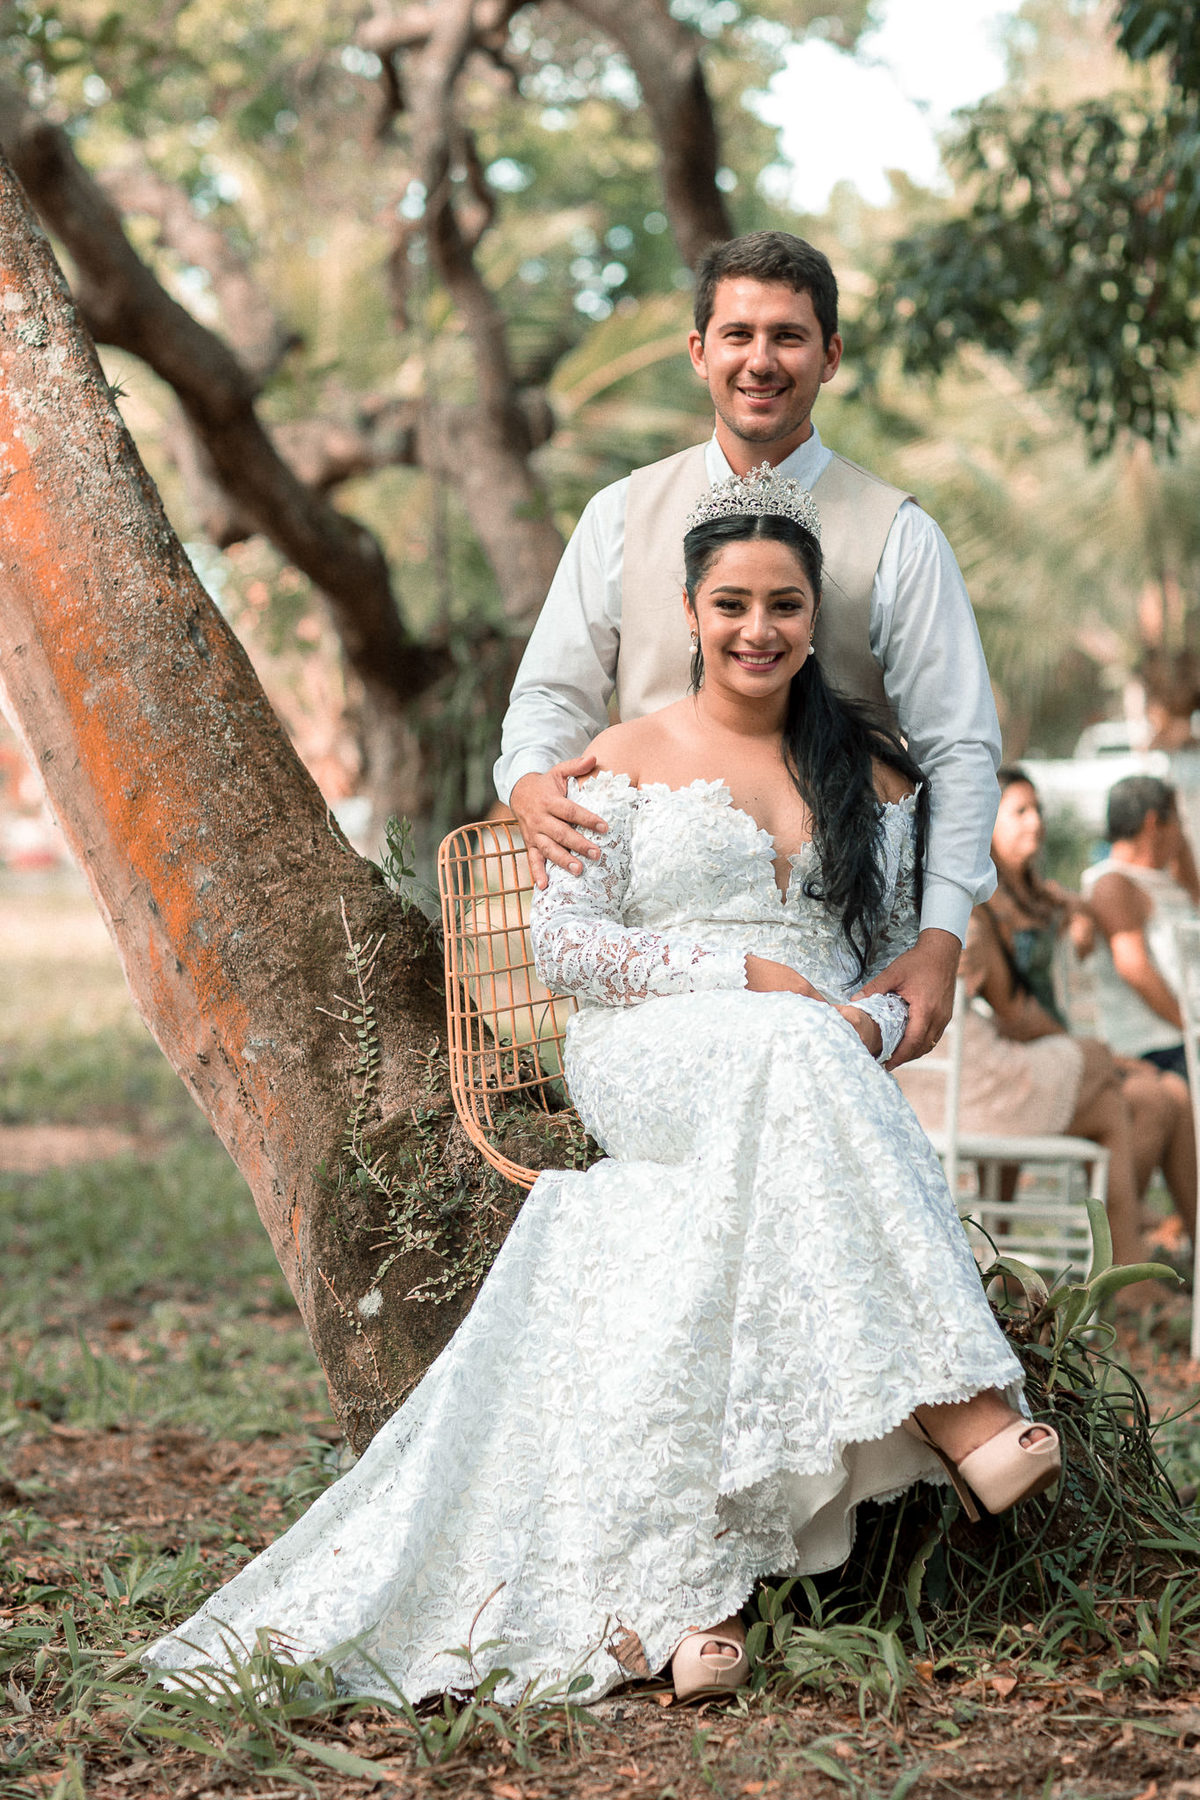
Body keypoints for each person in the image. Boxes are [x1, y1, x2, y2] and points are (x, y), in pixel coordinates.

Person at [145, 472, 1054, 1710]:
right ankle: (967, 1410)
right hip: (649, 1045)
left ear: (811, 614)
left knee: (763, 1118)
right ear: (688, 611)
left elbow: (904, 980)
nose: (758, 629)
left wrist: (861, 1014)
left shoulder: (875, 780)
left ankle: (695, 1597)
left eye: (784, 606)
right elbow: (569, 952)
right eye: (731, 603)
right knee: (790, 1052)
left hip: (808, 1061)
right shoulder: (614, 762)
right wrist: (747, 973)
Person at [495, 230, 1002, 1070]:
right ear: (700, 351)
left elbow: (959, 748)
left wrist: (942, 938)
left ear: (830, 355)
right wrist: (526, 782)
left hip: (830, 990)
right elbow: (551, 697)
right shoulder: (620, 515)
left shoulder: (900, 536)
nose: (760, 361)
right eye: (738, 334)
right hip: (660, 983)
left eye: (788, 336)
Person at [898, 768, 1195, 1263]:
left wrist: (1075, 914)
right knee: (1142, 1098)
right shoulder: (979, 906)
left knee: (1162, 1096)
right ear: (985, 823)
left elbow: (1078, 916)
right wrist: (1109, 1057)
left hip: (1032, 1050)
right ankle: (1119, 1252)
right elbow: (1014, 1014)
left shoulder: (1038, 896)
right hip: (1013, 1054)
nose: (1035, 823)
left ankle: (1127, 1247)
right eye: (1019, 812)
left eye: (1038, 811)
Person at [1082, 775, 1200, 1083]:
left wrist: (1184, 856)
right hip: (1158, 1044)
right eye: (1177, 820)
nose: (1183, 832)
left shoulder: (1164, 880)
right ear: (1152, 823)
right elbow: (1135, 969)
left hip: (1183, 1038)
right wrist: (1193, 1029)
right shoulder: (1113, 883)